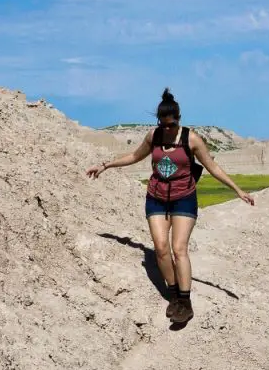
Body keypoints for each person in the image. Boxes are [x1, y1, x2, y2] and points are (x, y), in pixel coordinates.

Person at [86, 88, 255, 325]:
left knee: (179, 248)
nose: (167, 129)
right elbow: (134, 157)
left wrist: (238, 190)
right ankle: (174, 296)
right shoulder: (153, 136)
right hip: (156, 197)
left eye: (171, 124)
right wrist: (105, 165)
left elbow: (212, 167)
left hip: (183, 197)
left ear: (178, 120)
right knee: (161, 247)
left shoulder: (191, 139)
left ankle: (185, 302)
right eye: (163, 125)